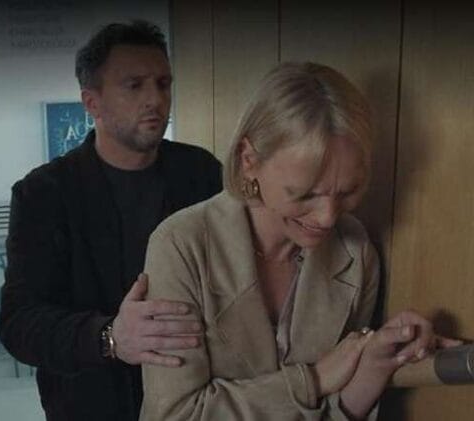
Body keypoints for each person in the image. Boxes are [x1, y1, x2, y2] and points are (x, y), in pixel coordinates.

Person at [140, 62, 461, 420]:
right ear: (248, 160)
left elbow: (336, 412)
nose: (327, 217)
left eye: (348, 192)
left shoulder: (356, 252)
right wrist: (313, 379)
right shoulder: (181, 245)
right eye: (305, 194)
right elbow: (177, 414)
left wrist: (375, 362)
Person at [0, 20, 223, 420]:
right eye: (134, 85)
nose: (155, 99)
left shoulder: (201, 173)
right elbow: (18, 323)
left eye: (163, 84)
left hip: (196, 399)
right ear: (92, 103)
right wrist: (110, 336)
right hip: (92, 403)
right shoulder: (44, 194)